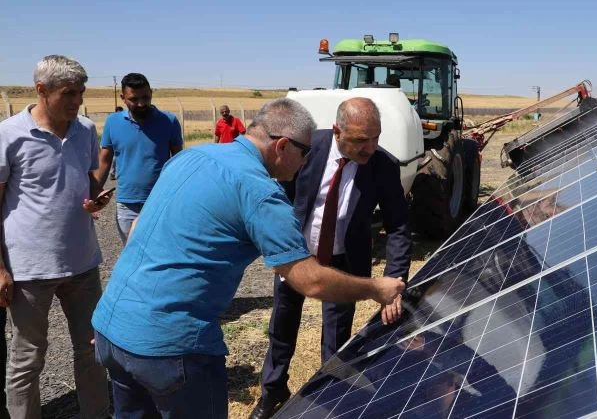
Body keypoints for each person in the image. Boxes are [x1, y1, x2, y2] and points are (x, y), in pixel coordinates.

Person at [91, 98, 405, 418]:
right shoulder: (259, 192)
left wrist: (120, 317)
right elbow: (309, 280)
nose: (306, 162)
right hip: (173, 349)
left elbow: (136, 230)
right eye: (304, 153)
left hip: (111, 331)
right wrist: (376, 289)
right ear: (282, 146)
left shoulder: (192, 156)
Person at [251, 97, 412, 419]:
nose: (370, 148)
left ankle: (329, 397)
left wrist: (395, 278)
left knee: (336, 336)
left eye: (376, 138)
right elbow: (280, 193)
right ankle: (273, 390)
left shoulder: (383, 165)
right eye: (360, 140)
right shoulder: (309, 146)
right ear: (338, 131)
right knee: (282, 326)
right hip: (296, 255)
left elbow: (398, 225)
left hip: (344, 261)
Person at [0, 55, 112, 418]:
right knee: (27, 358)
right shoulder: (9, 135)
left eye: (81, 92)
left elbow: (83, 182)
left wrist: (92, 202)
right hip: (29, 268)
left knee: (93, 348)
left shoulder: (84, 130)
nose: (78, 101)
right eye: (69, 93)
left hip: (82, 262)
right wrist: (0, 269)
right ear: (41, 91)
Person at [96, 73, 183, 242]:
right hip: (127, 205)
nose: (141, 103)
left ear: (151, 93)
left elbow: (178, 161)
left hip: (161, 201)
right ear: (122, 98)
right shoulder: (113, 122)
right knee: (132, 256)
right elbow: (104, 160)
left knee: (161, 253)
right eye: (134, 99)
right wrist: (95, 192)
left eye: (145, 97)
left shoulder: (168, 121)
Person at [108, 106, 124, 180]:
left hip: (123, 142)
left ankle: (119, 173)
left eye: (120, 112)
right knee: (114, 159)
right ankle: (112, 173)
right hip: (115, 142)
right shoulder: (112, 120)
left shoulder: (125, 120)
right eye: (117, 112)